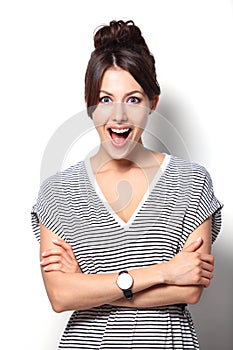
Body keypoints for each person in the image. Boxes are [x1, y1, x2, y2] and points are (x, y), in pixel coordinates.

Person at [31, 20, 223, 349]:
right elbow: (60, 296)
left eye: (133, 100)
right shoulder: (58, 193)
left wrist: (89, 288)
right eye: (105, 99)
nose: (118, 115)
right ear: (90, 105)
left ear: (152, 104)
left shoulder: (191, 182)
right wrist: (163, 273)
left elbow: (189, 289)